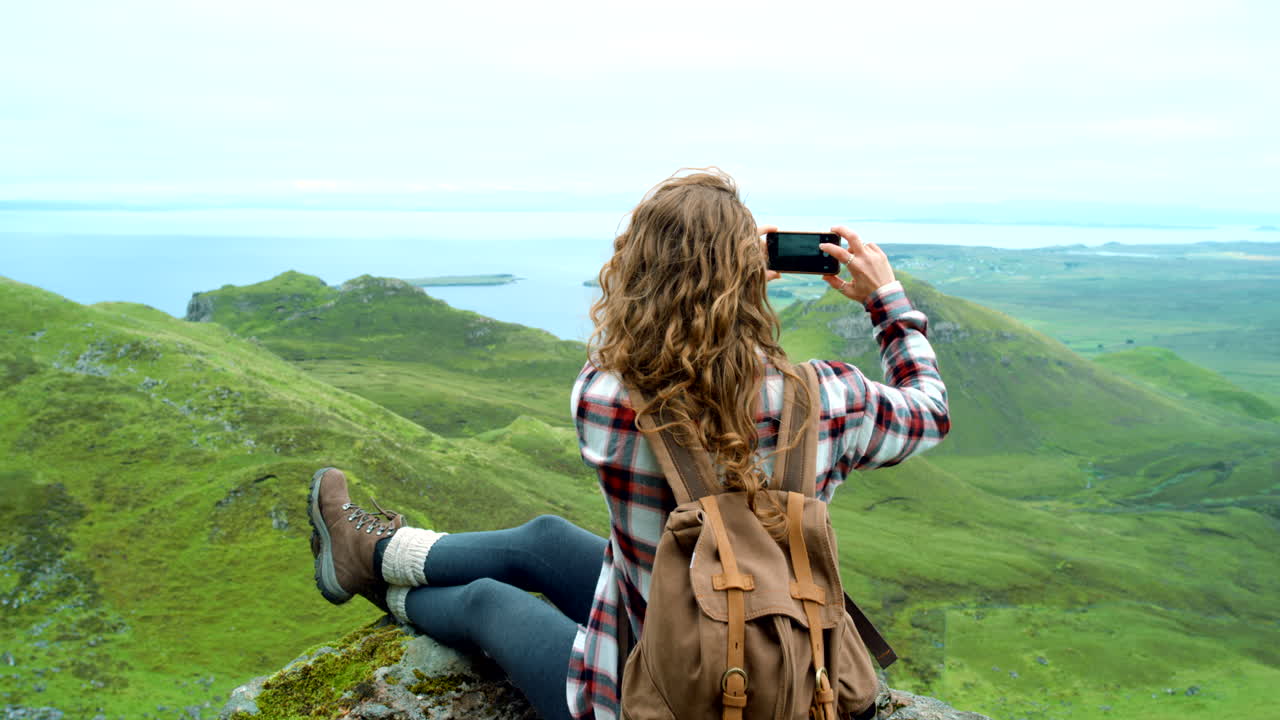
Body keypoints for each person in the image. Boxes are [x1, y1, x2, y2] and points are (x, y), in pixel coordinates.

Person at [306, 169, 950, 720]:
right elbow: (931, 410)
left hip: (650, 696)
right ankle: (371, 552)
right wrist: (886, 302)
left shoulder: (608, 398)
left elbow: (636, 343)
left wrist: (717, 279)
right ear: (750, 278)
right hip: (791, 671)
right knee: (545, 539)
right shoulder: (833, 398)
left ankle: (378, 581)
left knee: (487, 602)